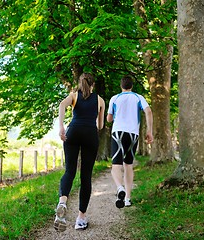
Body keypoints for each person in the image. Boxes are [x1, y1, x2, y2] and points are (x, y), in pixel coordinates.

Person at [54, 73, 105, 231]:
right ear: (93, 84)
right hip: (90, 132)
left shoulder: (73, 95)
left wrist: (62, 126)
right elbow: (100, 125)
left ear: (80, 83)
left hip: (73, 131)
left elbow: (62, 105)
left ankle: (63, 201)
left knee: (69, 171)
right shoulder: (100, 100)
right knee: (86, 176)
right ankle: (81, 219)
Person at [106, 75, 153, 208]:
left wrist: (113, 115)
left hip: (118, 133)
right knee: (128, 165)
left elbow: (109, 119)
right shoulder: (138, 97)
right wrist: (149, 131)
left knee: (116, 165)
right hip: (133, 133)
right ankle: (127, 198)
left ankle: (120, 188)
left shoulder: (114, 98)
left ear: (121, 86)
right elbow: (148, 112)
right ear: (132, 86)